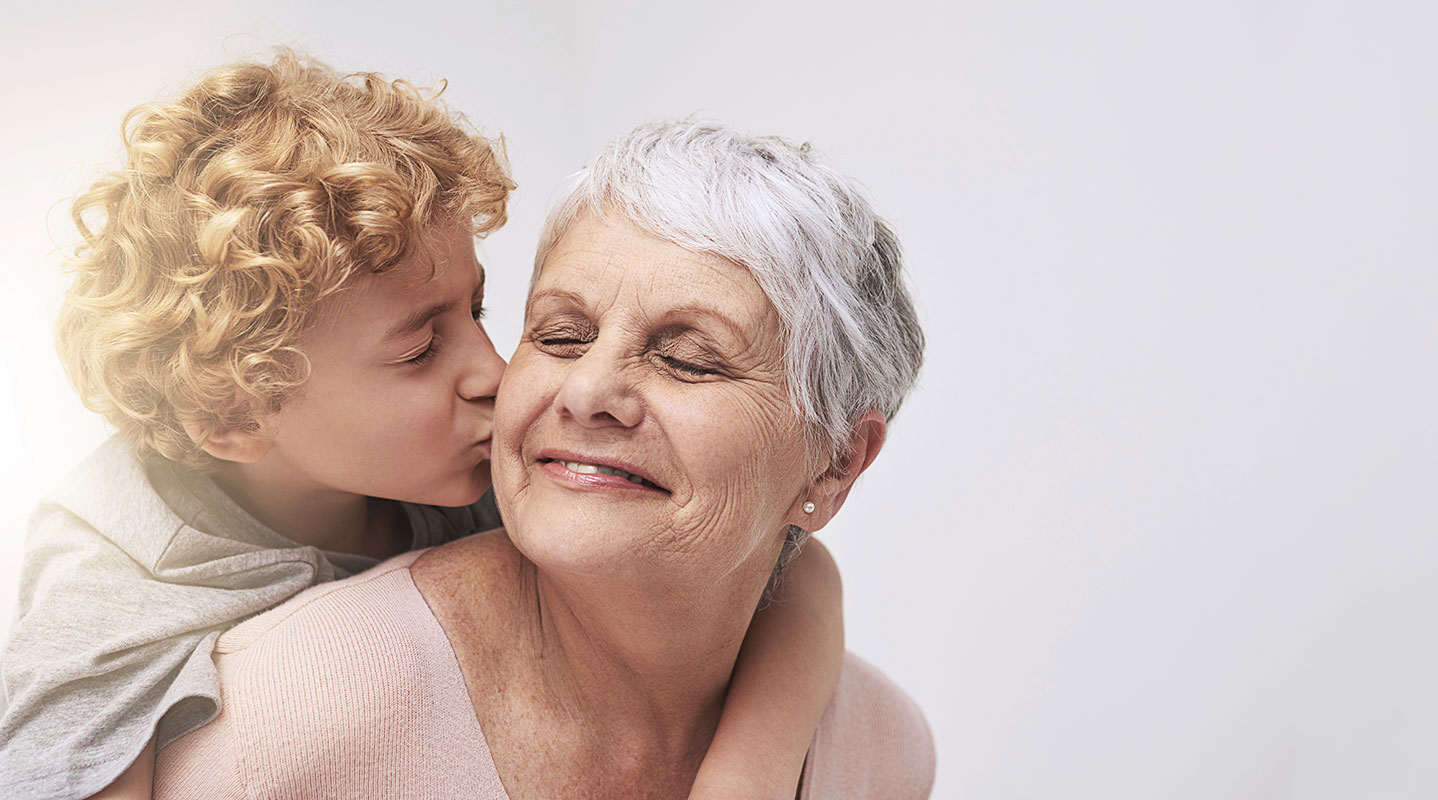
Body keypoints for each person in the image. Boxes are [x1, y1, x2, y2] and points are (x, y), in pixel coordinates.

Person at [0, 54, 847, 800]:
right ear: (235, 414)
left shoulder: (466, 479)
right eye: (419, 351)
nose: (494, 371)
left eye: (477, 309)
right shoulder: (112, 577)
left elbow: (795, 567)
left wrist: (747, 777)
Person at [151, 118, 935, 798]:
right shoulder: (284, 718)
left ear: (835, 462)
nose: (586, 390)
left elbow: (801, 571)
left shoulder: (884, 754)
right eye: (560, 336)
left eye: (689, 358)